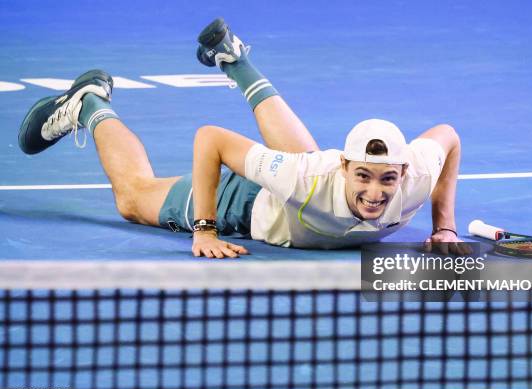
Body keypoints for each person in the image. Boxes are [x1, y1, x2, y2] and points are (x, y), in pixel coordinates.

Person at [17, 18, 467, 258]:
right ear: (345, 166)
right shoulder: (304, 179)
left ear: (404, 172)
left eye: (387, 179)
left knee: (301, 162)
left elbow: (447, 136)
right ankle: (92, 104)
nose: (375, 192)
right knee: (132, 200)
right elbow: (210, 138)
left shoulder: (417, 173)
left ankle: (233, 58)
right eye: (364, 176)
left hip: (304, 184)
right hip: (248, 204)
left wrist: (443, 224)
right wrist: (206, 228)